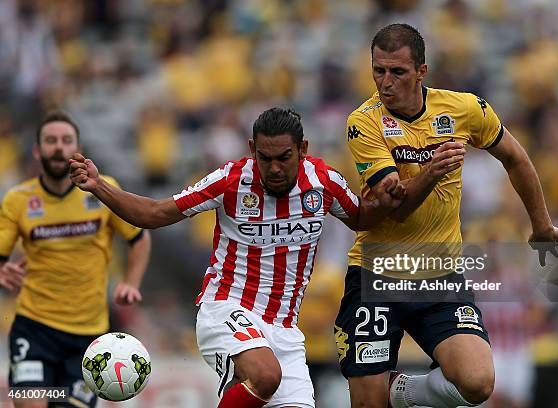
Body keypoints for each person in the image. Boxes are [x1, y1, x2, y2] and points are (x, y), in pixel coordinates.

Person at [68, 107, 449, 408]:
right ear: (252, 150)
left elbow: (361, 218)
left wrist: (395, 196)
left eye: (284, 157)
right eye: (265, 158)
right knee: (265, 376)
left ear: (303, 149)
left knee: (273, 377)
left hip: (284, 329)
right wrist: (98, 185)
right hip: (226, 308)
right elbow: (153, 214)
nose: (275, 168)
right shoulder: (231, 180)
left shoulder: (324, 182)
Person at [333, 24, 558, 408]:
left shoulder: (464, 109)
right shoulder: (363, 123)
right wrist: (432, 171)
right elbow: (395, 209)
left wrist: (540, 223)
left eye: (397, 72)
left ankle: (399, 391)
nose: (386, 82)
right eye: (378, 70)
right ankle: (381, 393)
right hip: (376, 274)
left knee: (478, 384)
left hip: (438, 274)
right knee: (367, 405)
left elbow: (515, 157)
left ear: (421, 72)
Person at [0, 111, 151, 408]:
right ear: (37, 150)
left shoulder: (104, 189)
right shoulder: (17, 199)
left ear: (78, 149)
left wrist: (131, 283)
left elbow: (139, 238)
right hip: (34, 330)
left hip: (90, 339)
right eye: (51, 140)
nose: (59, 147)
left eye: (67, 140)